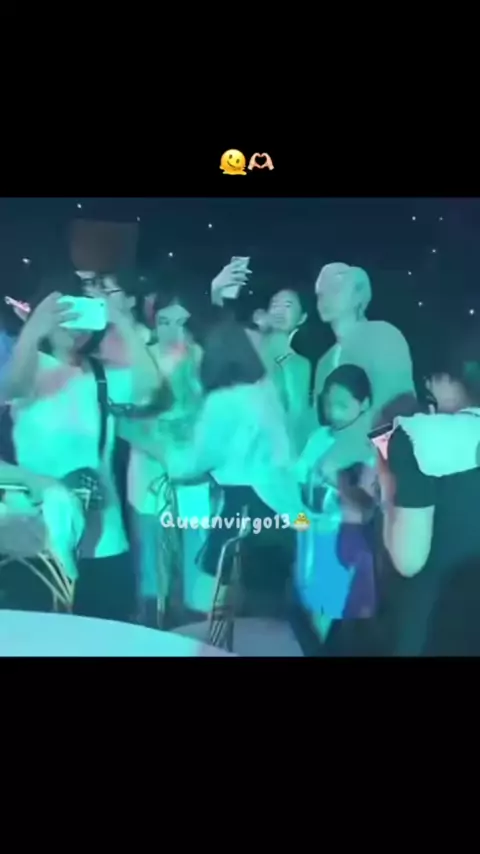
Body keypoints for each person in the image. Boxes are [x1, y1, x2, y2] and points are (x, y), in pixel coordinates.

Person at [2, 277, 161, 622]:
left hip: (104, 537)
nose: (76, 327)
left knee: (107, 632)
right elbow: (11, 386)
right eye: (67, 314)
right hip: (39, 539)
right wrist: (34, 328)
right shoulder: (32, 368)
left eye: (85, 314)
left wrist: (122, 321)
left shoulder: (101, 374)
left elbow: (151, 391)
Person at [122, 318, 303, 617]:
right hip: (281, 508)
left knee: (213, 607)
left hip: (244, 509)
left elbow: (185, 466)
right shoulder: (263, 390)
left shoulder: (222, 401)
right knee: (267, 610)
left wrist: (145, 440)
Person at [379, 337, 480, 656]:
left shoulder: (420, 437)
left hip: (436, 623)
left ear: (450, 377)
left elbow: (408, 559)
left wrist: (385, 476)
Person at [116, 286, 205, 627]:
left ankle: (195, 629)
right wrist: (156, 445)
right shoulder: (140, 358)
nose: (172, 330)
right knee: (151, 562)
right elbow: (121, 421)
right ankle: (152, 624)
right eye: (164, 321)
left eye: (181, 322)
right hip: (148, 469)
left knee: (196, 556)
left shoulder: (202, 357)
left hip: (193, 472)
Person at [295, 364, 378, 643]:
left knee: (339, 616)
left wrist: (337, 480)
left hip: (347, 542)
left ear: (364, 404)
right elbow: (299, 481)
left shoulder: (371, 447)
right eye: (329, 404)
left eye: (342, 405)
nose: (334, 412)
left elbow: (368, 506)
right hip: (313, 536)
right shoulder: (320, 438)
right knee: (310, 608)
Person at [313, 262, 416, 478]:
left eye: (335, 289)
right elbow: (320, 421)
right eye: (320, 294)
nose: (324, 298)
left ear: (358, 294)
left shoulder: (383, 335)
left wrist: (347, 454)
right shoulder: (325, 361)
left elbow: (395, 404)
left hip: (381, 467)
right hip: (336, 474)